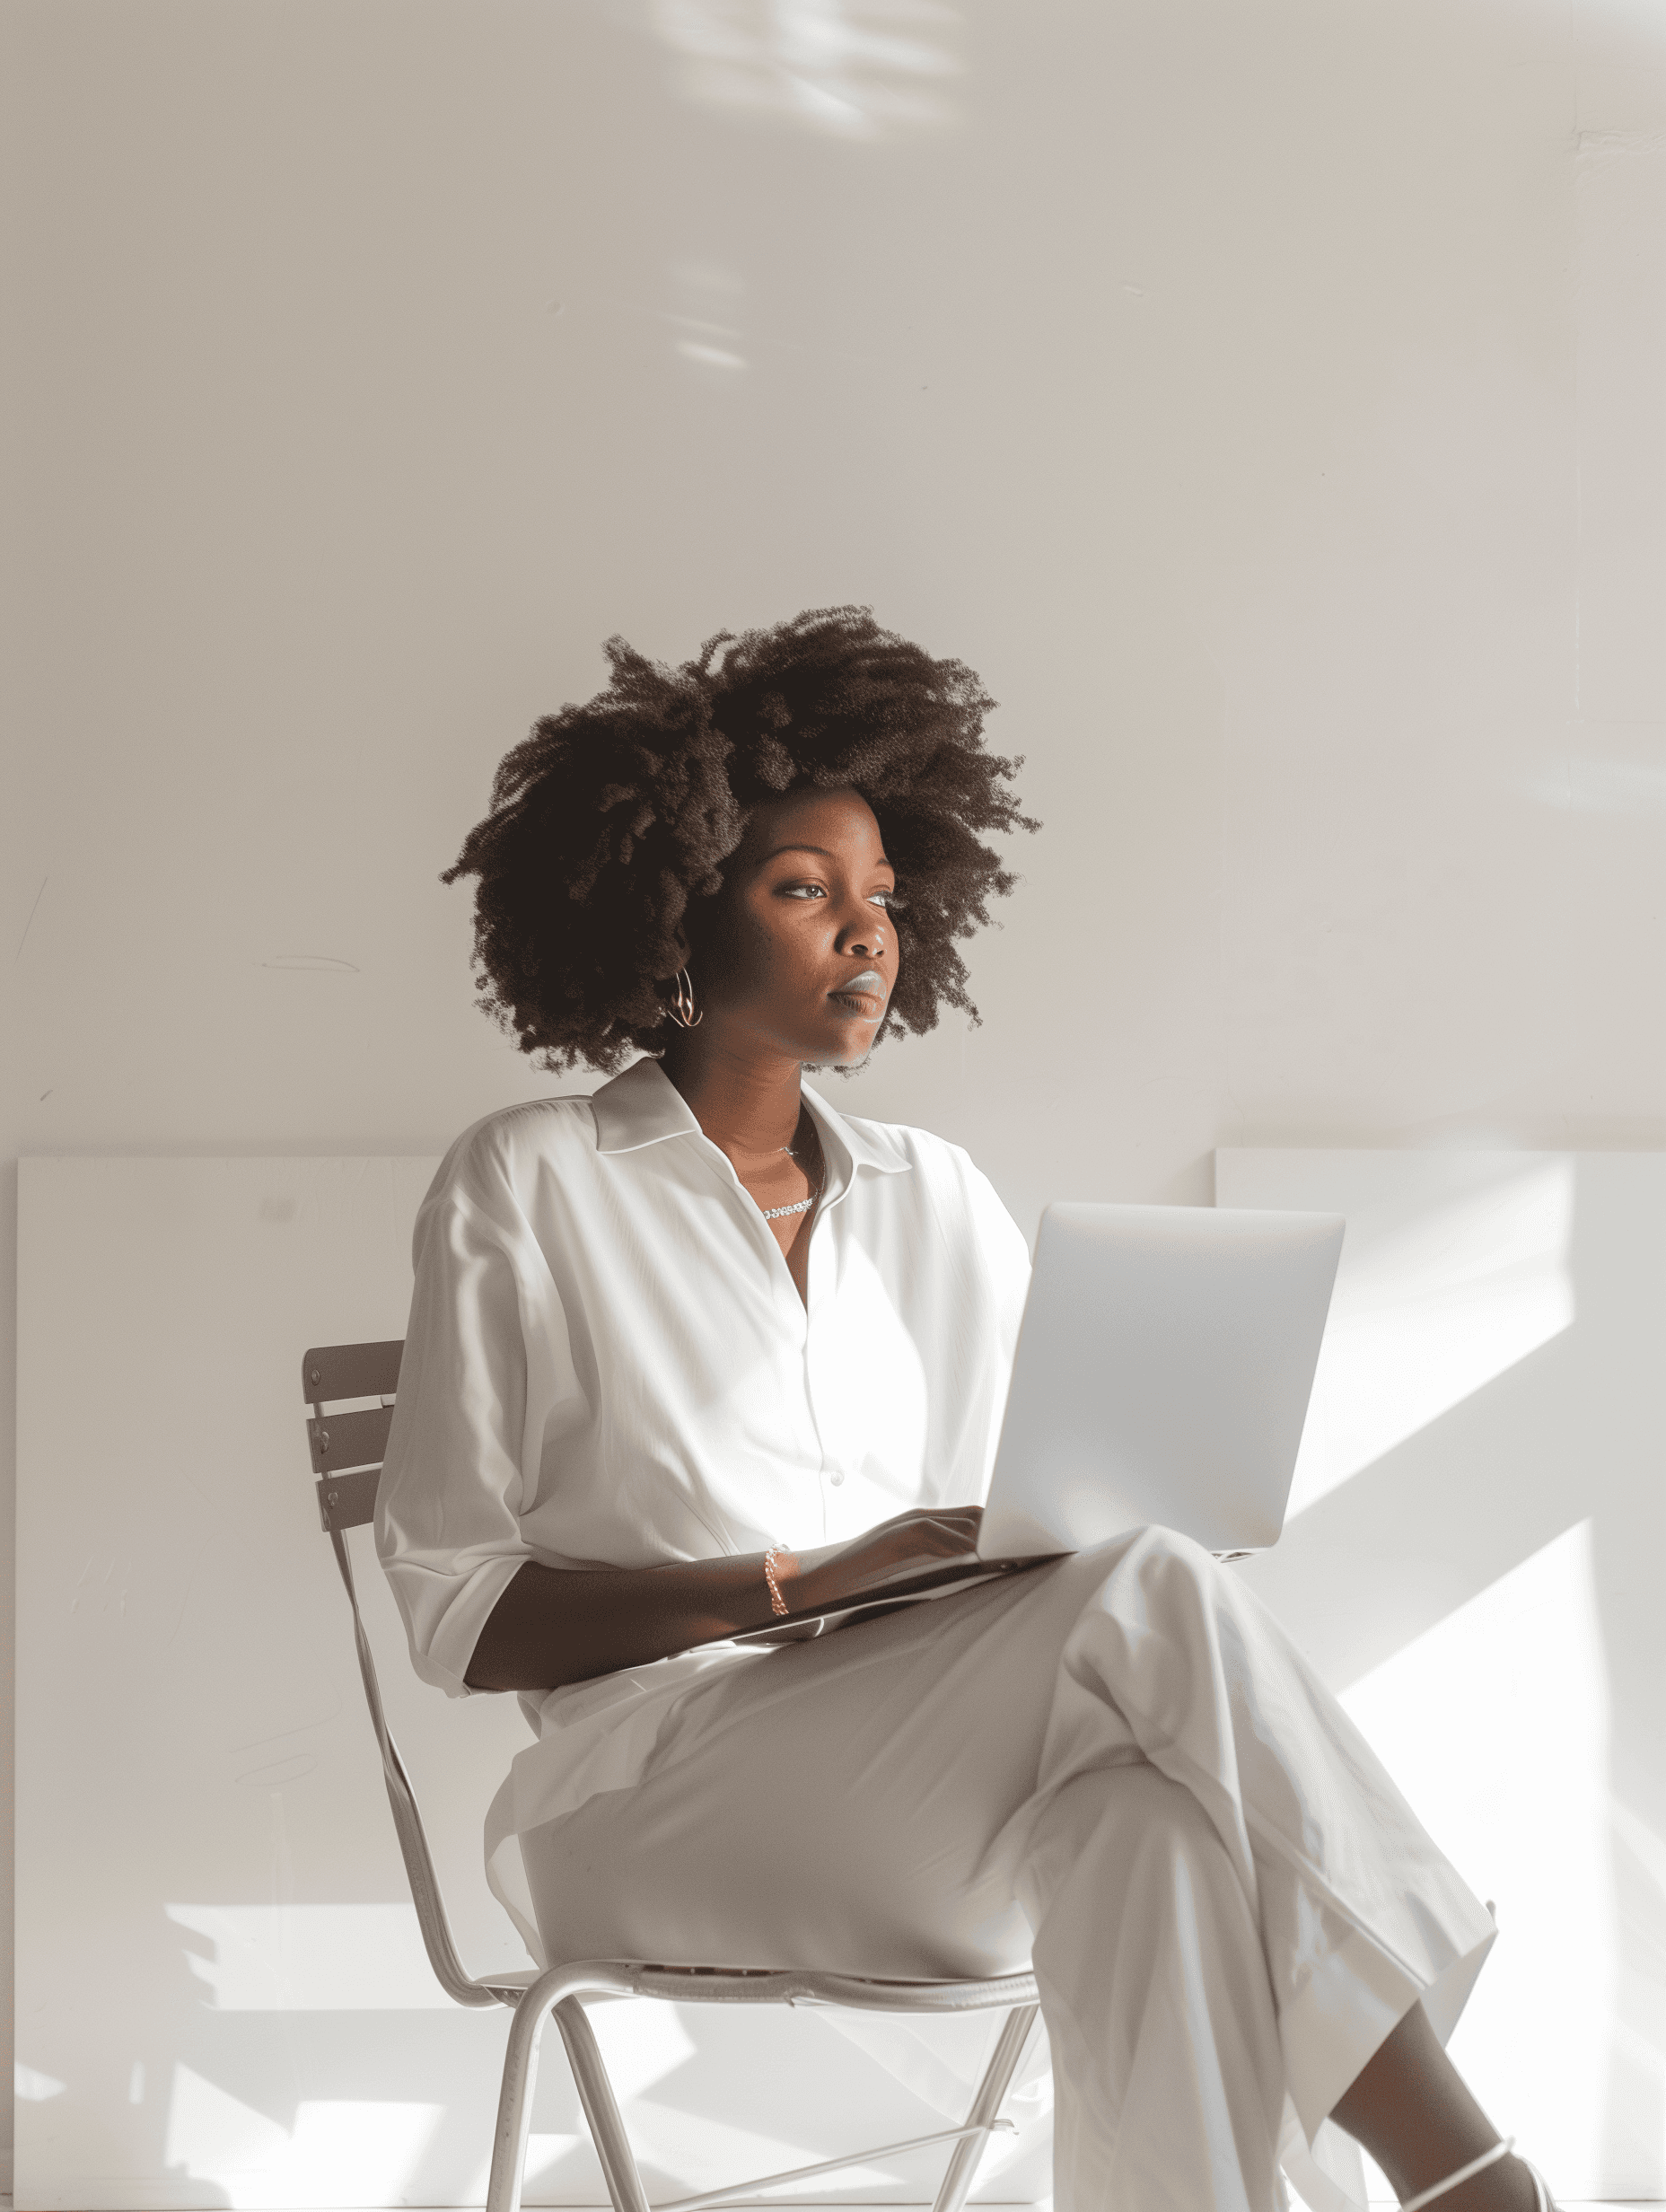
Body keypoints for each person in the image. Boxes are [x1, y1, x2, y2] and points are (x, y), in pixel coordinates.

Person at [376, 607, 1553, 2212]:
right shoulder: (530, 1180)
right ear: (673, 919)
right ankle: (1460, 2166)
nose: (868, 933)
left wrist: (998, 1556)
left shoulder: (935, 1195)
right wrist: (805, 1581)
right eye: (804, 892)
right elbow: (460, 1617)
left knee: (1147, 1825)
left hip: (915, 1791)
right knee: (1143, 1597)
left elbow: (1061, 1510)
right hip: (644, 1796)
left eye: (882, 897)